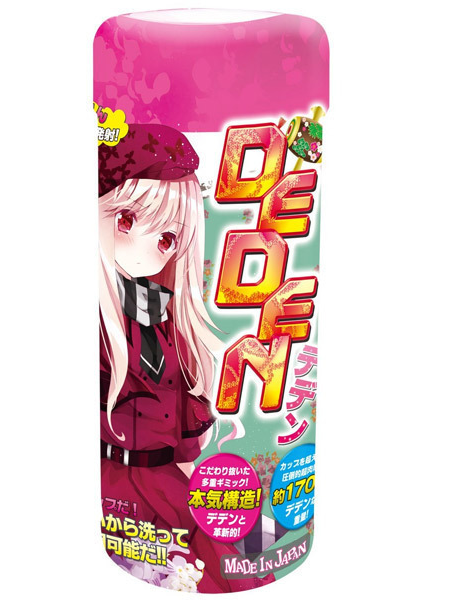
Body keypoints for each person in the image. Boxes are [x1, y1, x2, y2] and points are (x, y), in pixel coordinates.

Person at [98, 124, 275, 592]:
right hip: (115, 483)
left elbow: (180, 405)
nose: (145, 248)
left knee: (226, 562)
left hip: (167, 478)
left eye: (166, 240)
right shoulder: (100, 321)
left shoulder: (164, 319)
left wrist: (193, 468)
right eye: (125, 220)